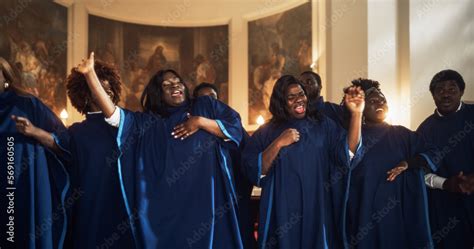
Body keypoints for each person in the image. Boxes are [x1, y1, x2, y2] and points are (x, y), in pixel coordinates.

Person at [78, 52, 245, 248]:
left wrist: (200, 122)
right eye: (166, 85)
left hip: (209, 206)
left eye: (177, 81)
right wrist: (90, 74)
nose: (175, 85)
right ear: (158, 93)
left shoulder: (205, 106)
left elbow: (234, 127)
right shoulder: (147, 123)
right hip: (167, 214)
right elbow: (114, 115)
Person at [13, 60, 136, 249]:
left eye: (110, 89)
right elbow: (58, 144)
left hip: (124, 202)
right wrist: (34, 131)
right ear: (85, 96)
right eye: (101, 89)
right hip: (88, 205)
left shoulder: (124, 123)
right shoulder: (77, 131)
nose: (108, 93)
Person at [242, 75, 364, 249]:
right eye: (291, 97)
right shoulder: (267, 132)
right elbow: (254, 169)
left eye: (301, 94)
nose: (299, 100)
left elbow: (348, 154)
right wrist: (278, 143)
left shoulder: (324, 125)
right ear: (281, 102)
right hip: (283, 209)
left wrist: (356, 114)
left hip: (318, 205)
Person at [342, 79, 438, 249]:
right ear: (361, 107)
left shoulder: (402, 134)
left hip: (401, 214)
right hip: (365, 214)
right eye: (373, 101)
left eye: (383, 100)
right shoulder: (353, 138)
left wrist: (408, 163)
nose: (380, 103)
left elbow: (433, 152)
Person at [0, 57, 69, 249]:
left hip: (24, 188)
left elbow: (65, 142)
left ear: (6, 77)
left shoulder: (28, 105)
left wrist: (35, 131)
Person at [193, 82, 257, 249]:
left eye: (212, 98)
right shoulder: (192, 130)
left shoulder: (233, 127)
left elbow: (249, 156)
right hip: (206, 196)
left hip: (235, 194)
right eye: (203, 99)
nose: (208, 103)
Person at [416, 70, 474, 248]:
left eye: (452, 89)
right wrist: (446, 183)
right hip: (445, 209)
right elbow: (419, 175)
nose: (446, 94)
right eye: (440, 90)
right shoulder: (424, 131)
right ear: (433, 95)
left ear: (462, 91)